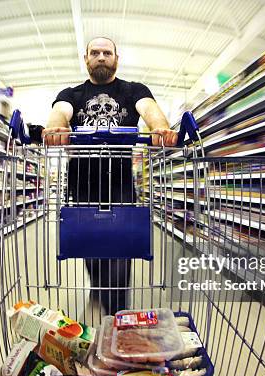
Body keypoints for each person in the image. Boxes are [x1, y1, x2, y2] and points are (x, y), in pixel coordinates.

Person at [43, 36, 178, 314]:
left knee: (119, 243)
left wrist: (160, 128)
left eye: (107, 52)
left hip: (119, 182)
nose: (101, 56)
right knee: (89, 241)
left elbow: (150, 110)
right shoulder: (72, 94)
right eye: (95, 52)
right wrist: (56, 128)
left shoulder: (133, 90)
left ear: (116, 59)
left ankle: (116, 309)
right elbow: (60, 113)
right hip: (82, 181)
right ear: (86, 59)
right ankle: (100, 285)